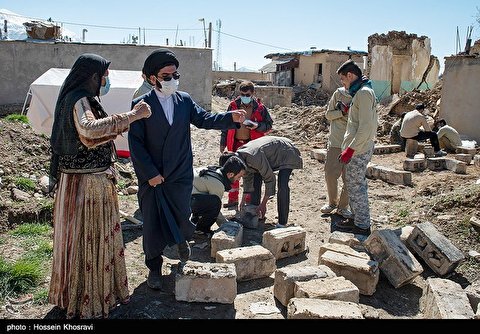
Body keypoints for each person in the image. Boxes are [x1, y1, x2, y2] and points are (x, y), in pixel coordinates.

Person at [128, 48, 246, 290]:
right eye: (166, 75)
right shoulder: (141, 105)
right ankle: (154, 268)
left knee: (182, 214)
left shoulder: (184, 100)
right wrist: (150, 174)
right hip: (154, 177)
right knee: (152, 224)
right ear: (152, 78)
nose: (172, 79)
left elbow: (204, 119)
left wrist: (229, 117)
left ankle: (180, 240)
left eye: (175, 74)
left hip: (180, 173)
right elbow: (136, 144)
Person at [48, 53, 152, 319]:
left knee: (84, 242)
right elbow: (89, 130)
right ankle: (87, 300)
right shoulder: (80, 100)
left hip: (85, 183)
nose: (106, 81)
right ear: (93, 76)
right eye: (104, 75)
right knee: (87, 241)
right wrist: (133, 115)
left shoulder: (79, 98)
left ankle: (80, 295)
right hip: (86, 187)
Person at [334, 60, 378, 236]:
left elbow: (366, 127)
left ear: (350, 76)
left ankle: (362, 225)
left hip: (358, 150)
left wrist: (351, 150)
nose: (343, 84)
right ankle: (356, 218)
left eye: (343, 79)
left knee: (356, 186)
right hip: (356, 147)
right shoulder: (360, 93)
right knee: (352, 185)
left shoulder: (364, 94)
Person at [220, 136, 303, 228]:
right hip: (270, 154)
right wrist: (243, 201)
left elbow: (270, 178)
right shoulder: (240, 160)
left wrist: (263, 204)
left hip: (286, 151)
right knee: (256, 177)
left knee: (282, 184)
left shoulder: (252, 157)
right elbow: (248, 178)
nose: (238, 179)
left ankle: (282, 223)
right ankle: (255, 213)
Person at [219, 80, 273, 210]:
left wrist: (257, 126)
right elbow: (225, 125)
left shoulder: (260, 108)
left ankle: (248, 201)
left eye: (247, 94)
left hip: (251, 146)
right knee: (233, 171)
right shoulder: (233, 106)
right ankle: (233, 200)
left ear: (253, 93)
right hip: (235, 144)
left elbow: (269, 125)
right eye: (242, 94)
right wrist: (223, 142)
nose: (245, 97)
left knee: (249, 173)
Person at [191, 155, 246, 235]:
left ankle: (194, 223)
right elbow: (216, 210)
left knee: (206, 200)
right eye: (239, 176)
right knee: (215, 203)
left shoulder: (215, 170)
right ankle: (201, 229)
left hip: (184, 193)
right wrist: (227, 226)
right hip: (184, 200)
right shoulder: (218, 184)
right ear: (230, 174)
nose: (239, 179)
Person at [321, 87, 353, 219]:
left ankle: (343, 207)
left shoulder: (361, 95)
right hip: (335, 142)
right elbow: (328, 115)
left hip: (352, 143)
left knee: (349, 178)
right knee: (330, 173)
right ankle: (332, 203)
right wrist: (341, 111)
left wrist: (349, 111)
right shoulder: (338, 93)